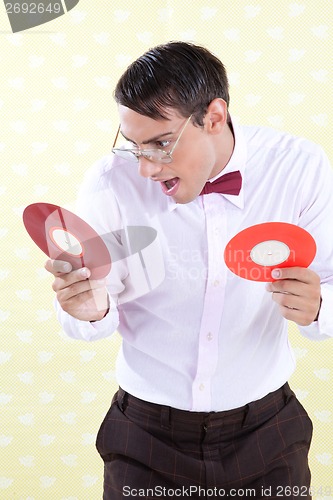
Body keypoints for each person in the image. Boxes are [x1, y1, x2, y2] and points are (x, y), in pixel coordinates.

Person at [45, 42, 333, 499]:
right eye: (134, 147)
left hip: (268, 429)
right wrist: (88, 309)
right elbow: (93, 315)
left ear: (214, 117)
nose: (145, 170)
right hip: (145, 435)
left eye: (160, 144)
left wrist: (320, 306)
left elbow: (330, 284)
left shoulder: (299, 167)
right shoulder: (109, 184)